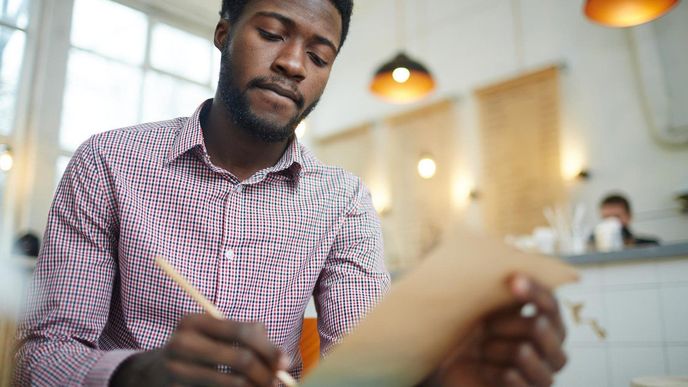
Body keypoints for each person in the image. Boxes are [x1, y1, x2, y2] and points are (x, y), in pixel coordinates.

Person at [16, 1, 568, 386]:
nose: (293, 64)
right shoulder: (107, 164)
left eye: (320, 55)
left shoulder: (344, 201)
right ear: (224, 32)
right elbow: (37, 360)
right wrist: (138, 375)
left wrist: (443, 377)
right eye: (273, 33)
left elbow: (368, 368)